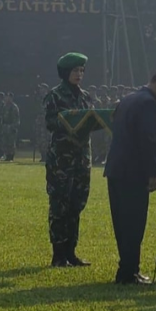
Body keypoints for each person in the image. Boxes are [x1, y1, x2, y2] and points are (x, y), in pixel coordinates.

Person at [105, 64, 156, 285]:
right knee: (134, 223)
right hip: (134, 172)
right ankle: (129, 272)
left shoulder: (129, 99)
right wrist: (153, 172)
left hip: (116, 170)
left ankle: (126, 268)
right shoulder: (148, 104)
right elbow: (147, 141)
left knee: (122, 223)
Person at [44, 53, 95, 267]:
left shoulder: (85, 96)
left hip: (81, 158)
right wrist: (68, 119)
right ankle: (58, 254)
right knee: (60, 205)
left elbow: (92, 119)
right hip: (61, 160)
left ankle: (71, 252)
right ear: (66, 73)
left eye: (82, 71)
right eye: (75, 71)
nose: (79, 75)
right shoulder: (55, 95)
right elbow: (50, 122)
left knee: (76, 204)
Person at [0, 92, 20, 161]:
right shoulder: (4, 106)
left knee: (11, 142)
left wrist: (13, 127)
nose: (7, 98)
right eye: (6, 97)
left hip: (11, 126)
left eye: (8, 97)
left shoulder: (14, 107)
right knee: (5, 142)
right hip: (5, 126)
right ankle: (6, 155)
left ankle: (11, 156)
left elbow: (16, 119)